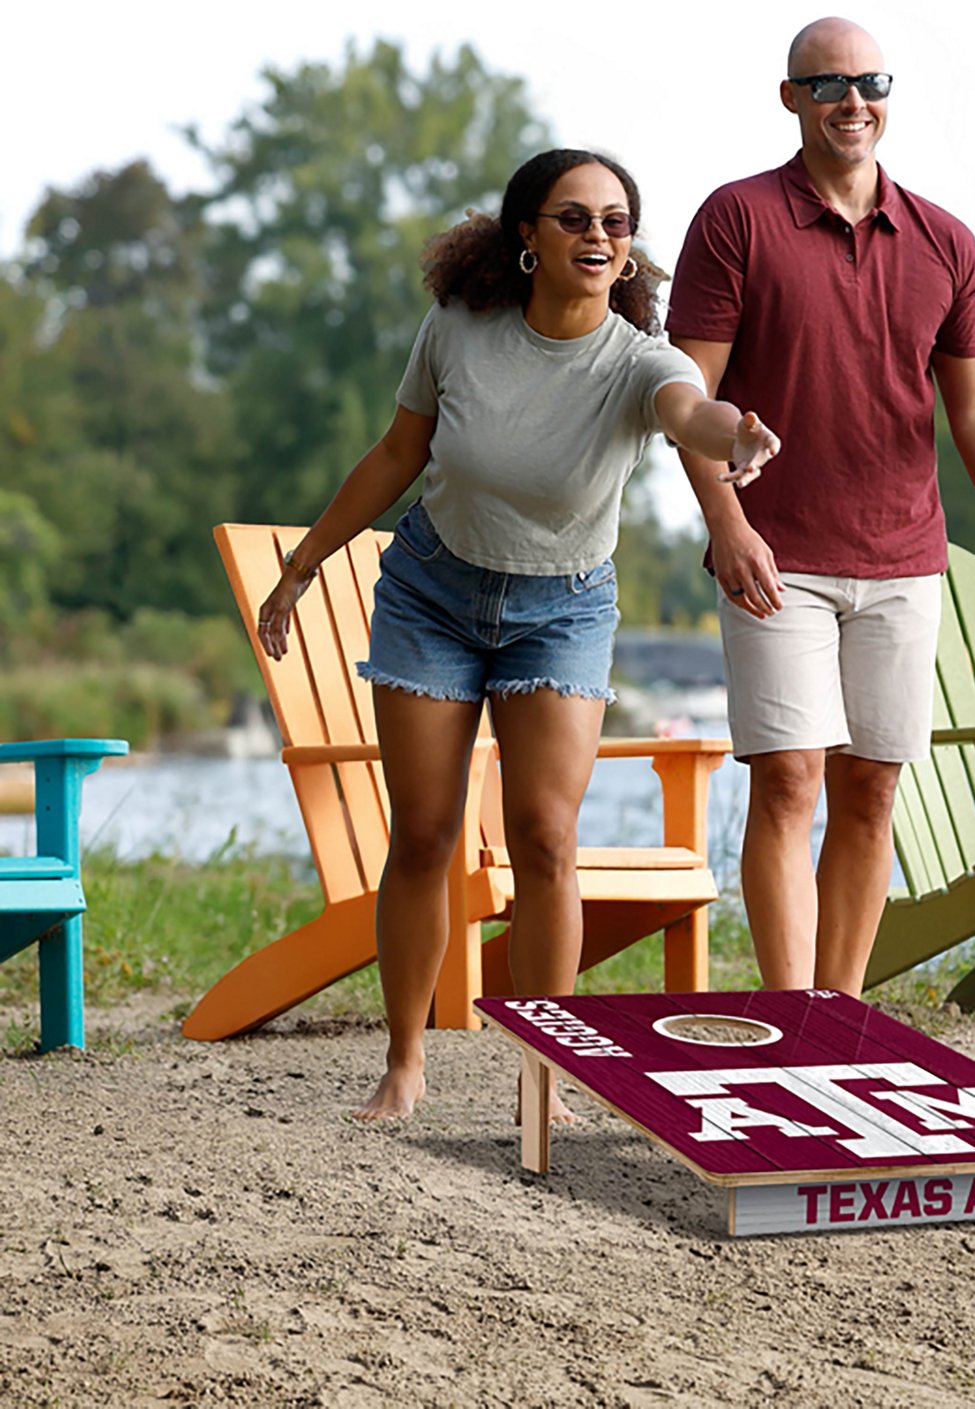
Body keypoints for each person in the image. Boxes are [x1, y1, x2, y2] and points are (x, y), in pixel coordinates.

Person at [255, 148, 781, 1121]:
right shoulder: (460, 329)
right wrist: (307, 561)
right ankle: (405, 1061)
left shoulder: (639, 359)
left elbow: (688, 414)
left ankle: (546, 1074)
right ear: (528, 238)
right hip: (432, 596)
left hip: (563, 610)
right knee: (424, 833)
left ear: (628, 253)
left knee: (546, 837)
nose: (597, 235)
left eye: (615, 223)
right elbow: (398, 453)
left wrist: (734, 438)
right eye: (574, 217)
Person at [666, 18, 975, 997]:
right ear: (790, 97)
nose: (852, 100)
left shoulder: (945, 241)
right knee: (789, 777)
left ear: (887, 94)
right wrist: (728, 524)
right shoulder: (735, 219)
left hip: (904, 556)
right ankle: (791, 1014)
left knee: (871, 787)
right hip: (776, 553)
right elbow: (684, 398)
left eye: (869, 81)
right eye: (828, 84)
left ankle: (837, 1013)